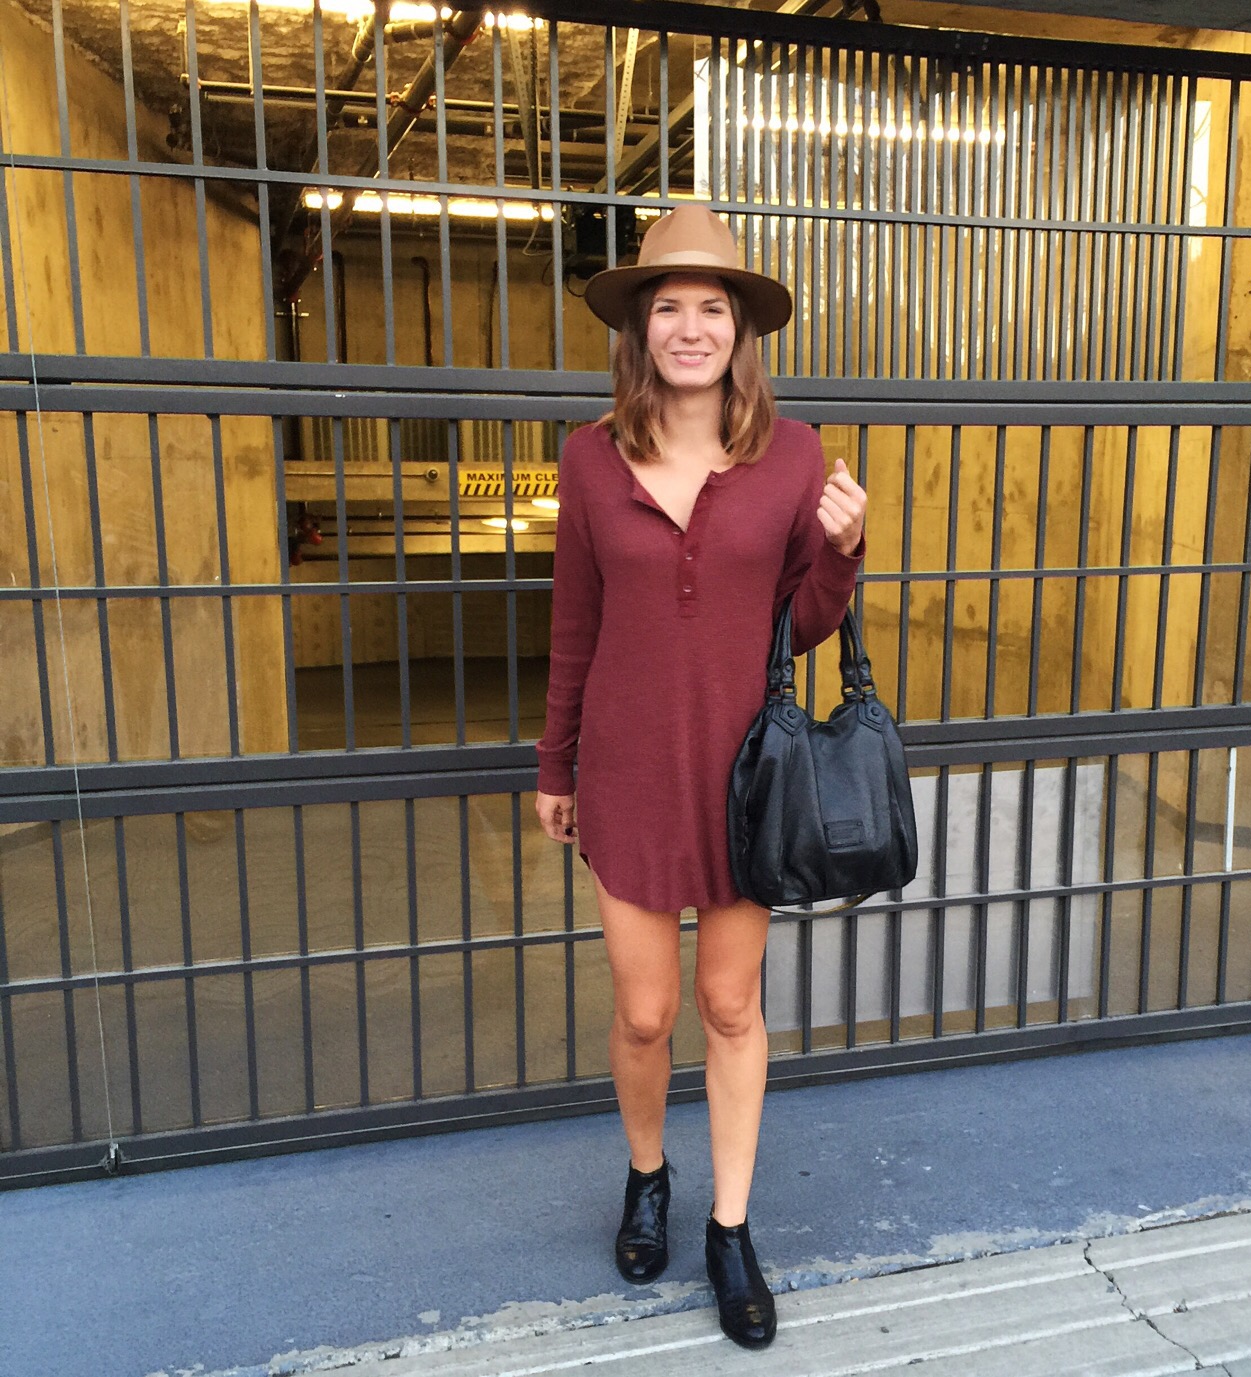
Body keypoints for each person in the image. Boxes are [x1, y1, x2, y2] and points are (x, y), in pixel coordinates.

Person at [534, 203, 866, 1351]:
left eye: (710, 308)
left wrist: (842, 553)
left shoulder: (795, 454)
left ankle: (730, 1228)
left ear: (740, 328)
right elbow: (575, 626)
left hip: (744, 779)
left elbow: (801, 624)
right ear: (639, 327)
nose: (689, 327)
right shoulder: (589, 457)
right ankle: (647, 1178)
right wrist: (555, 764)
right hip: (627, 771)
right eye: (667, 306)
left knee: (729, 1006)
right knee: (645, 1012)